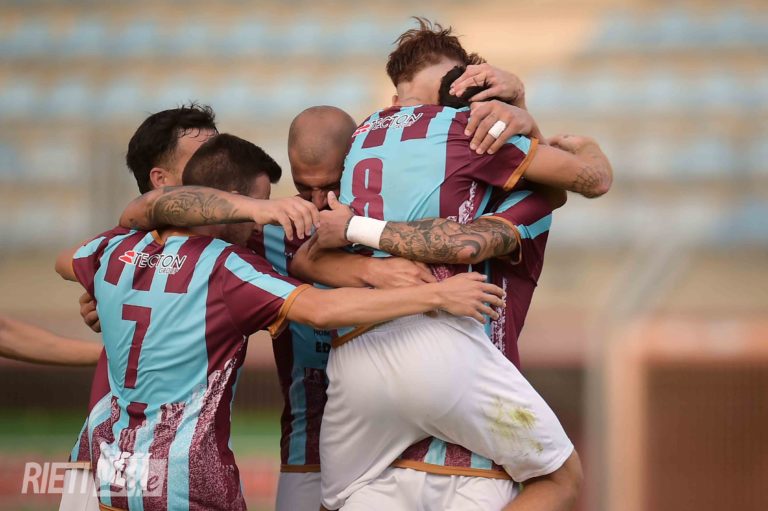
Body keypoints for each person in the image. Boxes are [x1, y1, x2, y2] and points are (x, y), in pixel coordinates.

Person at [56, 132, 503, 510]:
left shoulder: (111, 248)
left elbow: (73, 257)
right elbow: (321, 310)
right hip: (184, 480)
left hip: (105, 467)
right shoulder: (225, 266)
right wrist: (435, 295)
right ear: (236, 204)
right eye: (261, 204)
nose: (260, 223)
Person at [297, 19, 611, 510]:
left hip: (354, 354)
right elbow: (584, 182)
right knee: (563, 478)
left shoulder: (358, 138)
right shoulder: (464, 130)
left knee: (338, 500)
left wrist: (363, 242)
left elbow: (307, 258)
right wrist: (564, 136)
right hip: (440, 347)